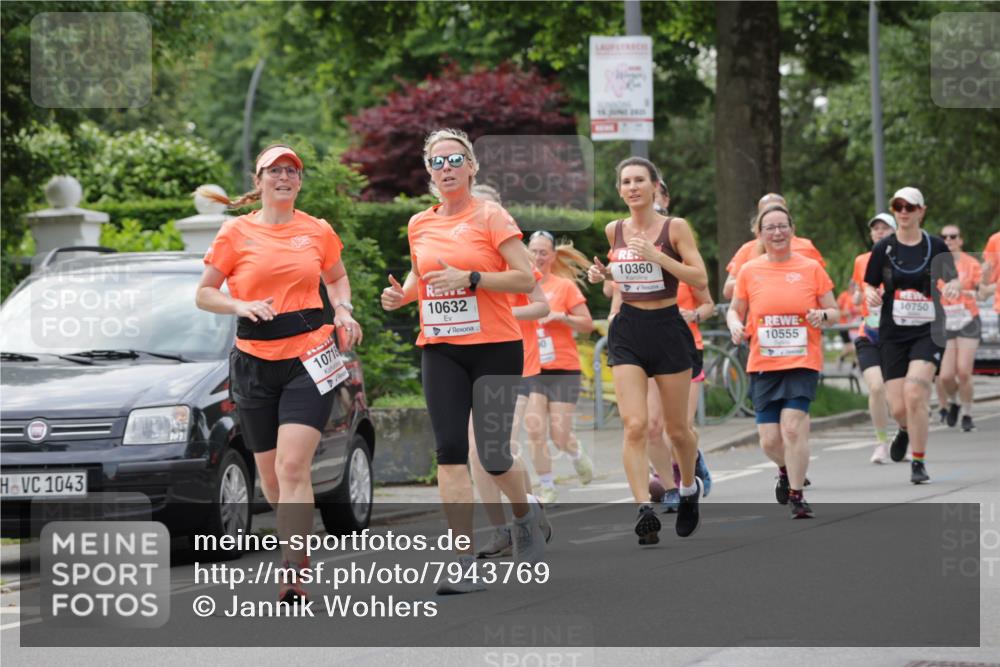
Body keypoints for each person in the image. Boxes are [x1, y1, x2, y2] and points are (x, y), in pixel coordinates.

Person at [195, 144, 362, 603]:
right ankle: (294, 541)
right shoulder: (235, 233)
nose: (284, 177)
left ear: (299, 181)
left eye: (292, 171)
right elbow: (204, 294)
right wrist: (238, 303)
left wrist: (343, 310)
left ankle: (294, 571)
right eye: (275, 171)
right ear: (260, 179)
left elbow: (337, 278)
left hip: (309, 357)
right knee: (270, 477)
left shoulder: (318, 231)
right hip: (253, 361)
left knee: (293, 465)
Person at [380, 128, 545, 593]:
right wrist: (402, 295)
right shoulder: (419, 223)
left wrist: (473, 277)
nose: (446, 169)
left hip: (494, 346)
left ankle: (525, 513)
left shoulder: (491, 215)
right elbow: (420, 272)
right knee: (450, 452)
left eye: (454, 160)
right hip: (441, 347)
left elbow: (525, 279)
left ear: (471, 167)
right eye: (437, 162)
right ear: (429, 173)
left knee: (493, 457)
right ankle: (463, 560)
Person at [587, 157, 709, 544]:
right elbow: (625, 276)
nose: (633, 187)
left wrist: (658, 256)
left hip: (668, 327)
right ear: (619, 189)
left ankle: (688, 489)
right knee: (636, 424)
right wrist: (604, 275)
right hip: (628, 330)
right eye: (626, 181)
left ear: (655, 186)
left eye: (640, 180)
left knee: (678, 430)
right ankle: (643, 508)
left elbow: (700, 278)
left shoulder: (675, 228)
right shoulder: (614, 230)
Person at [727, 203, 838, 518]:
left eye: (782, 226)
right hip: (764, 363)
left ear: (792, 230)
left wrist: (822, 315)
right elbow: (735, 309)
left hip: (802, 360)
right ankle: (785, 469)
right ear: (760, 235)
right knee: (769, 440)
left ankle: (797, 495)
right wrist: (735, 324)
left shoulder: (810, 268)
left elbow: (834, 311)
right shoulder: (749, 270)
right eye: (770, 228)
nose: (777, 232)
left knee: (791, 428)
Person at [465, 184, 552, 558]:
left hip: (510, 363)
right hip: (464, 361)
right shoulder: (457, 254)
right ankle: (500, 528)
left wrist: (502, 313)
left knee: (497, 448)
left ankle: (526, 511)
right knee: (474, 452)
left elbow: (541, 305)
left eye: (486, 206)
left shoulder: (512, 259)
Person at [863, 187, 959, 485]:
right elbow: (868, 284)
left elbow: (951, 276)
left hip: (928, 330)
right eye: (898, 206)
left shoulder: (935, 245)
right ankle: (904, 429)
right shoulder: (884, 249)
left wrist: (953, 286)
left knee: (916, 393)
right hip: (893, 333)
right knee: (899, 406)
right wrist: (871, 295)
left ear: (921, 211)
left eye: (910, 206)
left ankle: (918, 461)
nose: (903, 212)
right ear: (894, 210)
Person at [525, 230, 595, 505]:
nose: (538, 257)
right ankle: (546, 485)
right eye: (534, 251)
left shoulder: (564, 287)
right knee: (534, 429)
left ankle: (576, 454)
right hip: (532, 367)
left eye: (544, 252)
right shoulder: (520, 285)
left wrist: (562, 317)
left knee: (559, 434)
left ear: (553, 256)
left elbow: (587, 324)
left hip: (563, 368)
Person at [849, 212, 898, 464]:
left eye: (885, 228)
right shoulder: (861, 261)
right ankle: (881, 442)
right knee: (877, 387)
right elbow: (857, 290)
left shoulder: (905, 259)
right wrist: (859, 297)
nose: (879, 232)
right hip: (868, 332)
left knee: (897, 395)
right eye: (875, 228)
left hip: (898, 335)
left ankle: (905, 434)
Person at [722, 193, 826, 301]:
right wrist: (759, 277)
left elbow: (823, 286)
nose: (773, 214)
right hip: (760, 313)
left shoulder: (806, 247)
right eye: (767, 212)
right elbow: (728, 291)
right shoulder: (747, 249)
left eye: (778, 210)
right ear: (760, 219)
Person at [935, 224, 982, 432]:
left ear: (960, 240)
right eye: (944, 237)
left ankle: (967, 413)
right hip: (945, 322)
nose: (948, 240)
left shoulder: (971, 264)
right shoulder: (937, 265)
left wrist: (972, 292)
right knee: (945, 376)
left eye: (953, 236)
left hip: (967, 320)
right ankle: (953, 401)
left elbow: (985, 290)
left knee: (963, 371)